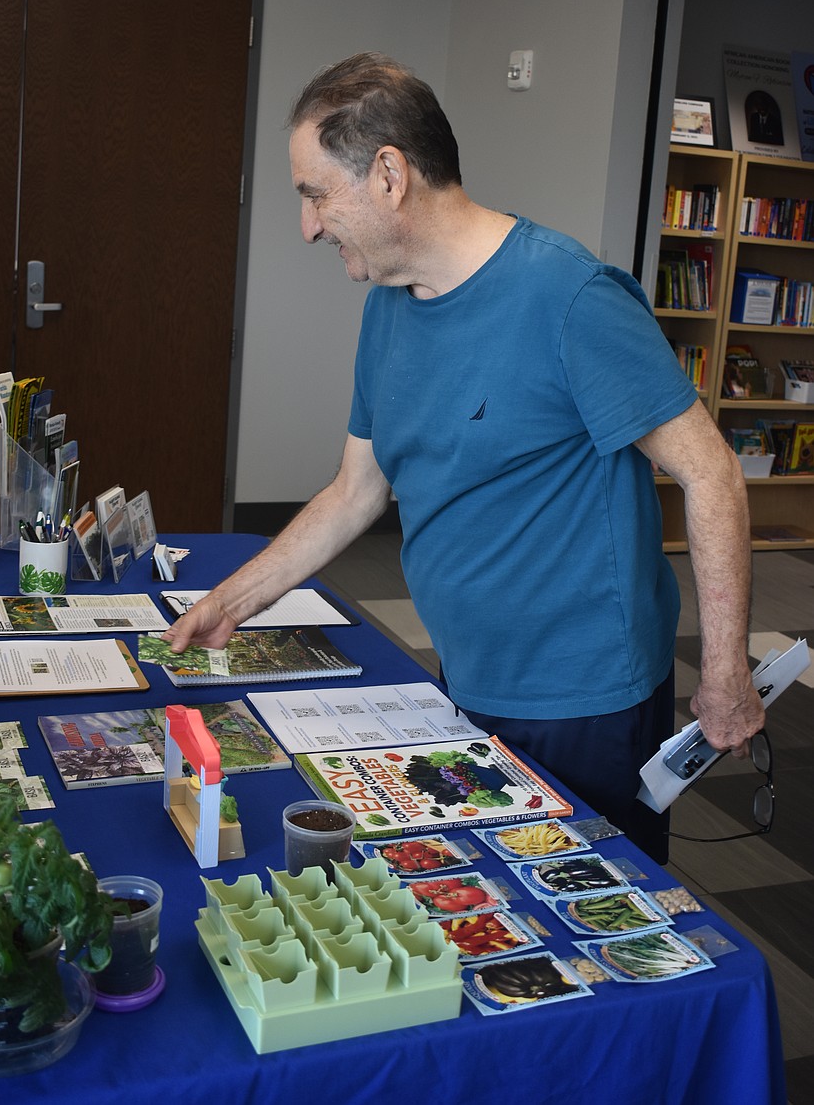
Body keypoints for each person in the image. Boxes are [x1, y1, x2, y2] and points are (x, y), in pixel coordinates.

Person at [163, 52, 765, 862]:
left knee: (583, 910)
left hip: (585, 702)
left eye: (315, 194)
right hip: (465, 676)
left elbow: (712, 471)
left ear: (389, 175)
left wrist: (726, 674)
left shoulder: (571, 297)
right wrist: (231, 601)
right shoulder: (388, 308)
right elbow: (356, 491)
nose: (307, 226)